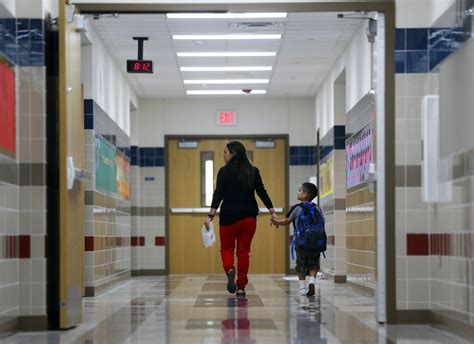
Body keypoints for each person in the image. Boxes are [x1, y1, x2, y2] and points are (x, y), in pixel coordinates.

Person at [205, 141, 277, 296]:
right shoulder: (253, 171)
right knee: (243, 252)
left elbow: (218, 195)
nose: (223, 155)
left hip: (228, 217)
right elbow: (261, 192)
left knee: (227, 249)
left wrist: (210, 216)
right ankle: (241, 287)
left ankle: (230, 269)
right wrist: (272, 211)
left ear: (233, 153)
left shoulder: (223, 172)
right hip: (249, 217)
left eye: (225, 152)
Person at [270, 182, 321, 296]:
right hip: (316, 243)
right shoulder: (317, 208)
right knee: (313, 264)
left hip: (301, 242)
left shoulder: (297, 208)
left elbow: (287, 221)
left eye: (299, 190)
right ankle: (312, 281)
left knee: (300, 265)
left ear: (305, 195)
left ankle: (302, 288)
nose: (297, 192)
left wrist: (276, 222)